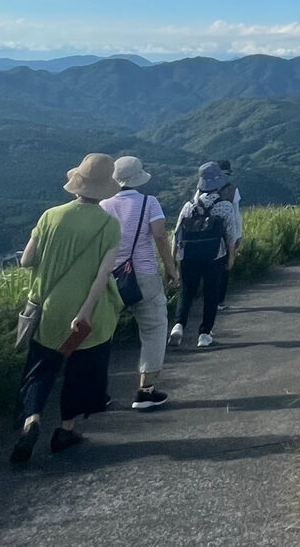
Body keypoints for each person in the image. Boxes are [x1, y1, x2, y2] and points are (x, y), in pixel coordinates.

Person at [10, 153, 122, 465]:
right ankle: (65, 430)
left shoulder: (50, 216)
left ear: (77, 185)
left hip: (50, 309)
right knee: (80, 372)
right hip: (88, 317)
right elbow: (103, 275)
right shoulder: (109, 225)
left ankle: (31, 421)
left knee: (41, 369)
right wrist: (85, 310)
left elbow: (26, 260)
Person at [101, 155, 178, 410]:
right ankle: (145, 391)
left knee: (102, 335)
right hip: (143, 274)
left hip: (110, 277)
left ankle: (97, 392)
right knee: (154, 328)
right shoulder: (149, 202)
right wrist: (170, 268)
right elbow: (159, 235)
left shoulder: (103, 205)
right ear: (139, 178)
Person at [170, 162, 238, 350]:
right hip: (214, 256)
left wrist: (173, 260)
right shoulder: (224, 206)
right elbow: (231, 235)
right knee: (211, 295)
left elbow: (176, 235)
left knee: (186, 292)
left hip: (188, 257)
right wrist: (231, 257)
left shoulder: (188, 206)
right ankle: (204, 334)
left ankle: (178, 325)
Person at [214, 159, 242, 309]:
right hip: (224, 236)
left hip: (203, 235)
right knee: (224, 268)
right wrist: (238, 236)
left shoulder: (201, 190)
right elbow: (236, 216)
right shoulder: (232, 190)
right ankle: (219, 301)